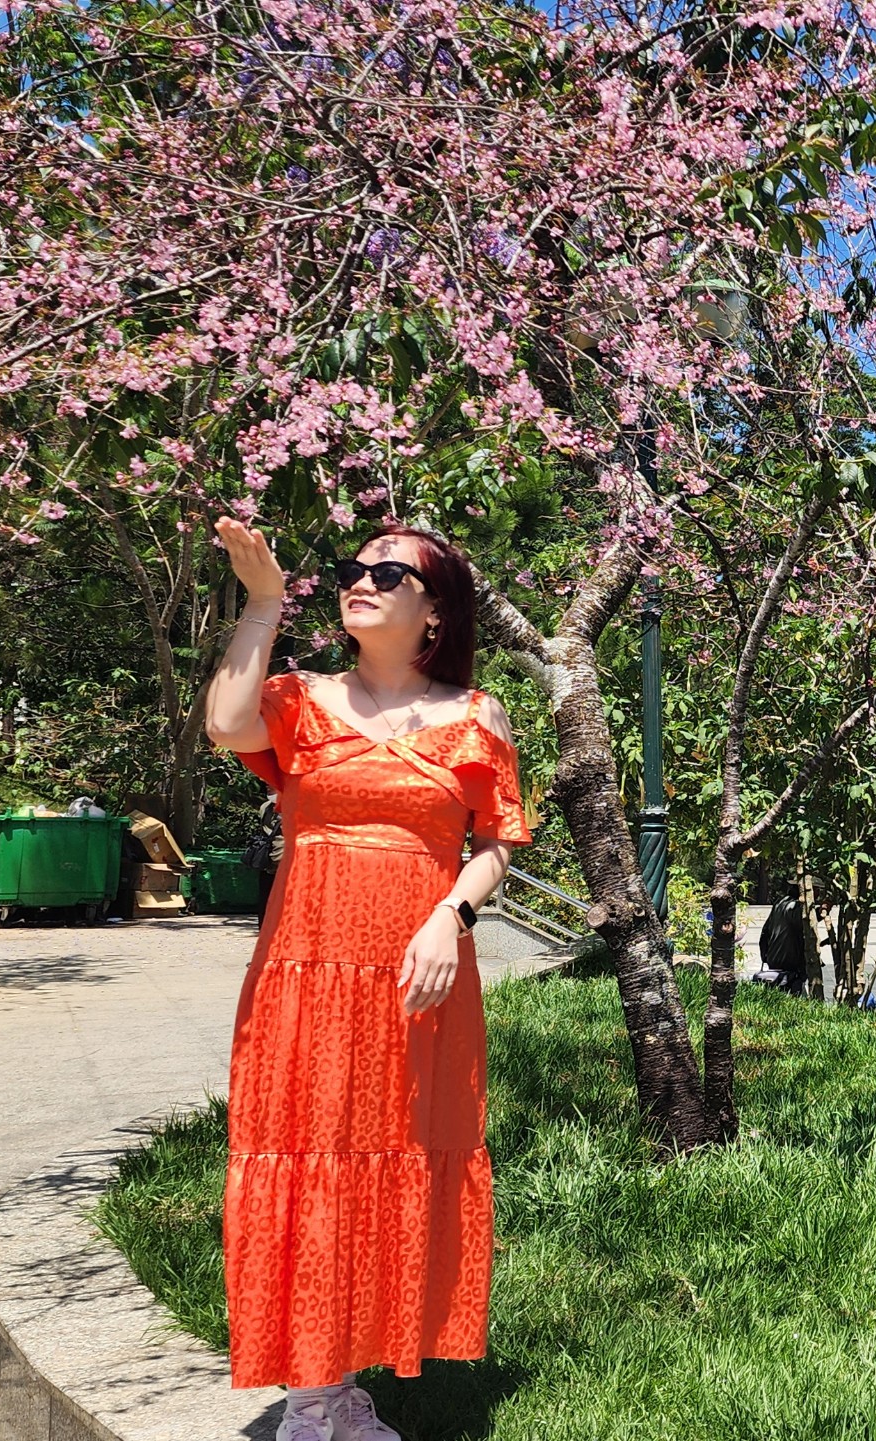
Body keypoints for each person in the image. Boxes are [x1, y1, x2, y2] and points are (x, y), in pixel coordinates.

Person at [205, 516, 531, 1441]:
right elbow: (226, 722)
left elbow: (498, 839)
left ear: (434, 611)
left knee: (394, 1151)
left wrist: (450, 915)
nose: (365, 579)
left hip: (418, 969)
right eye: (356, 568)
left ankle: (354, 1372)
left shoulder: (476, 715)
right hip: (306, 962)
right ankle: (313, 1393)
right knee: (308, 1153)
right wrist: (264, 602)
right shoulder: (300, 698)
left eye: (393, 572)